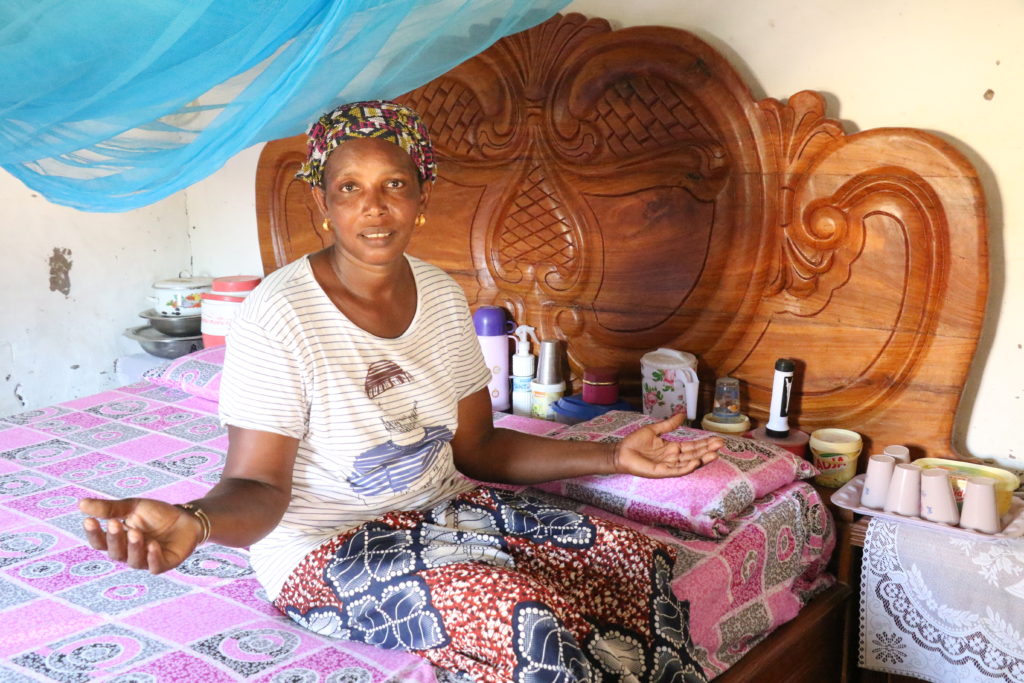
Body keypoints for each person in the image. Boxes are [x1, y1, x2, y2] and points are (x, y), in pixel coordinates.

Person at [79, 100, 723, 682]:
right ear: (322, 204)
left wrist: (612, 456)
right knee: (526, 618)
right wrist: (197, 521)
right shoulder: (280, 315)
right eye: (350, 188)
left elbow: (477, 449)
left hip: (447, 510)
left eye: (394, 185)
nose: (375, 207)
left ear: (422, 198)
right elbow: (259, 487)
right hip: (326, 549)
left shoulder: (441, 295)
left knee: (629, 559)